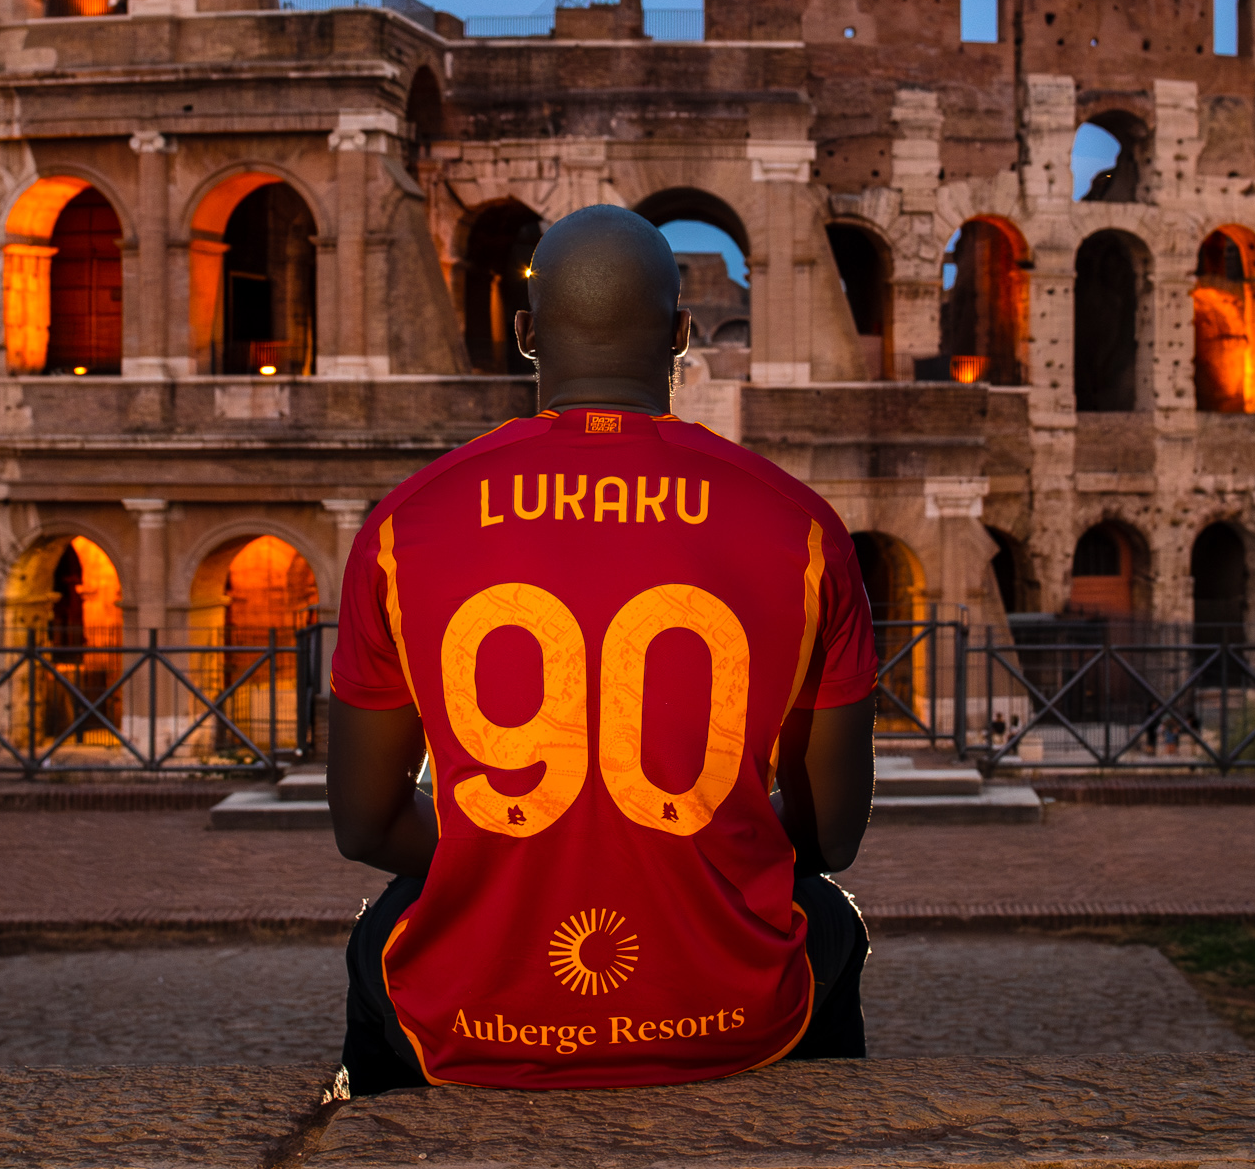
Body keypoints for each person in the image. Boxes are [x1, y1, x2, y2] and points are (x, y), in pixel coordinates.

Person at [327, 205, 878, 1092]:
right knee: (830, 922)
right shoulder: (802, 527)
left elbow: (363, 823)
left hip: (474, 1014)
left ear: (524, 335)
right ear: (683, 335)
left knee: (380, 938)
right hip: (731, 1011)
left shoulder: (405, 524)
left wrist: (507, 857)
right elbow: (832, 833)